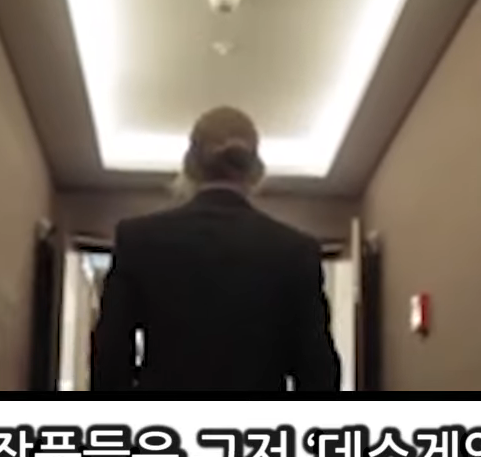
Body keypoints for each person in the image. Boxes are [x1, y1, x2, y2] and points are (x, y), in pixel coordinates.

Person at [90, 105, 342, 395]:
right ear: (255, 170)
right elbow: (318, 373)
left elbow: (109, 358)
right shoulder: (295, 251)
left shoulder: (138, 239)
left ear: (190, 165)